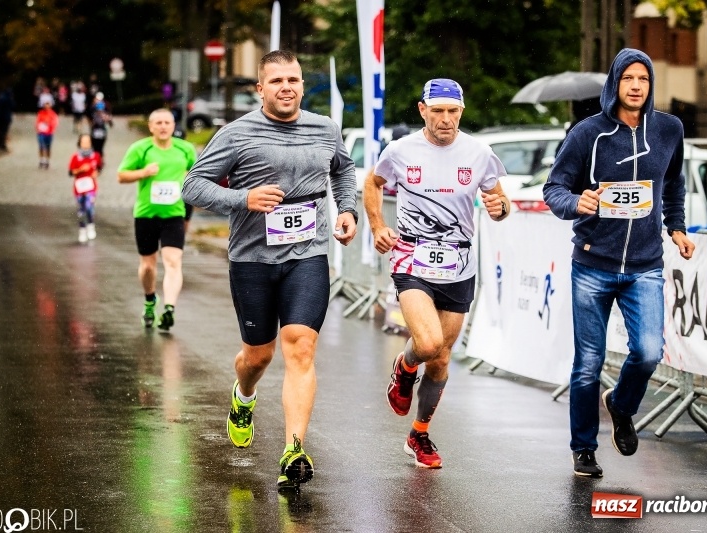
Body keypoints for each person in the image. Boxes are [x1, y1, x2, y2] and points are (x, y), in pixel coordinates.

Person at [182, 50, 358, 490]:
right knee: (258, 355)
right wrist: (243, 199)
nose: (287, 87)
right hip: (252, 258)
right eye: (276, 80)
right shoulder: (236, 134)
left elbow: (344, 169)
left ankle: (293, 449)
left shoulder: (324, 129)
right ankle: (244, 397)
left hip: (308, 253)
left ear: (302, 85)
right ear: (260, 88)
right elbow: (192, 185)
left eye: (294, 80)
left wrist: (348, 209)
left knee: (300, 347)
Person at [542, 48, 695, 479]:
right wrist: (578, 202)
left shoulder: (668, 129)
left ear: (650, 85)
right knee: (588, 362)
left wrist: (677, 228)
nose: (635, 86)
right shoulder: (587, 133)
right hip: (592, 265)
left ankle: (622, 405)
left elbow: (673, 183)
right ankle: (583, 449)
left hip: (645, 265)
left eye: (643, 80)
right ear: (614, 83)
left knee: (648, 352)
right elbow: (554, 189)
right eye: (627, 78)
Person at [363, 78, 510, 469]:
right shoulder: (400, 150)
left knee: (442, 358)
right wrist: (377, 225)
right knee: (427, 344)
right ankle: (404, 366)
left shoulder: (479, 153)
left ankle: (419, 433)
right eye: (439, 111)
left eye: (454, 112)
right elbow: (373, 183)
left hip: (459, 263)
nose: (446, 120)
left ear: (462, 112)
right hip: (412, 257)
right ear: (422, 109)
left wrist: (499, 209)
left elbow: (500, 200)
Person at [117, 108, 197, 331]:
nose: (163, 127)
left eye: (167, 123)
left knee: (173, 262)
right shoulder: (140, 149)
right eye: (158, 123)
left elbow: (198, 176)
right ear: (151, 126)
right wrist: (142, 173)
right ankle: (150, 299)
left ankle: (169, 308)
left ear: (173, 126)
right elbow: (121, 175)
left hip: (173, 215)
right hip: (146, 215)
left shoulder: (185, 149)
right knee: (148, 266)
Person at [68, 134, 102, 243]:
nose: (86, 144)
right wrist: (80, 170)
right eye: (83, 142)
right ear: (80, 143)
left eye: (88, 141)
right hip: (79, 188)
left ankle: (91, 225)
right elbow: (71, 172)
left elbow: (99, 168)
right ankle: (82, 230)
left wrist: (96, 173)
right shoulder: (76, 157)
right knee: (81, 211)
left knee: (89, 207)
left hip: (91, 187)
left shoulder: (96, 156)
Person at [35, 94, 59, 169]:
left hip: (49, 133)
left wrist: (50, 125)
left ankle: (47, 160)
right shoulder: (40, 113)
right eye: (45, 103)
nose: (46, 105)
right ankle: (42, 160)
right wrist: (38, 128)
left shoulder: (53, 114)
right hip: (41, 133)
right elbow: (37, 122)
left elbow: (55, 123)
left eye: (48, 103)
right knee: (41, 146)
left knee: (48, 147)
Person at [89, 92, 113, 160]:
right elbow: (89, 115)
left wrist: (106, 117)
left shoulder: (106, 107)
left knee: (100, 146)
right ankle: (95, 159)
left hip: (102, 129)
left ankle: (100, 159)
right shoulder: (93, 107)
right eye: (97, 99)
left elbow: (110, 120)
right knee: (94, 146)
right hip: (95, 129)